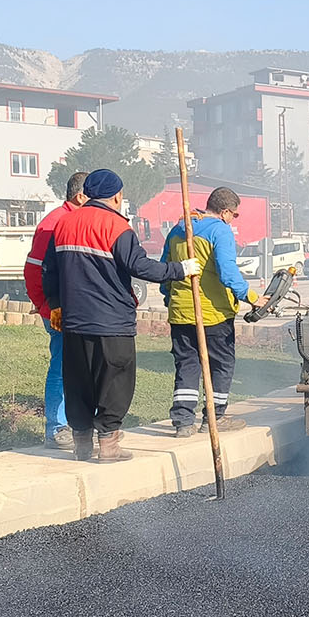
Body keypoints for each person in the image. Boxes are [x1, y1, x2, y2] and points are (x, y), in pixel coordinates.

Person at [40, 168, 199, 463]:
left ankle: (82, 446)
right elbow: (141, 267)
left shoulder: (64, 224)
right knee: (115, 380)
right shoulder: (117, 227)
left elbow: (48, 270)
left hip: (75, 321)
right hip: (112, 321)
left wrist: (55, 304)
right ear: (116, 196)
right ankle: (109, 445)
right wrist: (181, 269)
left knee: (79, 382)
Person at [161, 186, 259, 438]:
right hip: (213, 314)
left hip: (181, 313)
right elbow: (228, 274)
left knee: (187, 364)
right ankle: (214, 417)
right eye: (234, 215)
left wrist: (168, 297)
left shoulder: (178, 229)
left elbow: (165, 271)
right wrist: (252, 297)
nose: (233, 220)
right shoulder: (220, 231)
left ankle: (183, 421)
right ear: (225, 211)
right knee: (222, 364)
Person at [25, 171, 89, 449]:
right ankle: (57, 428)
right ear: (80, 196)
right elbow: (34, 269)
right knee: (62, 366)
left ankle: (82, 426)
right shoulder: (54, 223)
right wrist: (45, 306)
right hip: (59, 309)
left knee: (83, 366)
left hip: (81, 308)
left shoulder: (76, 220)